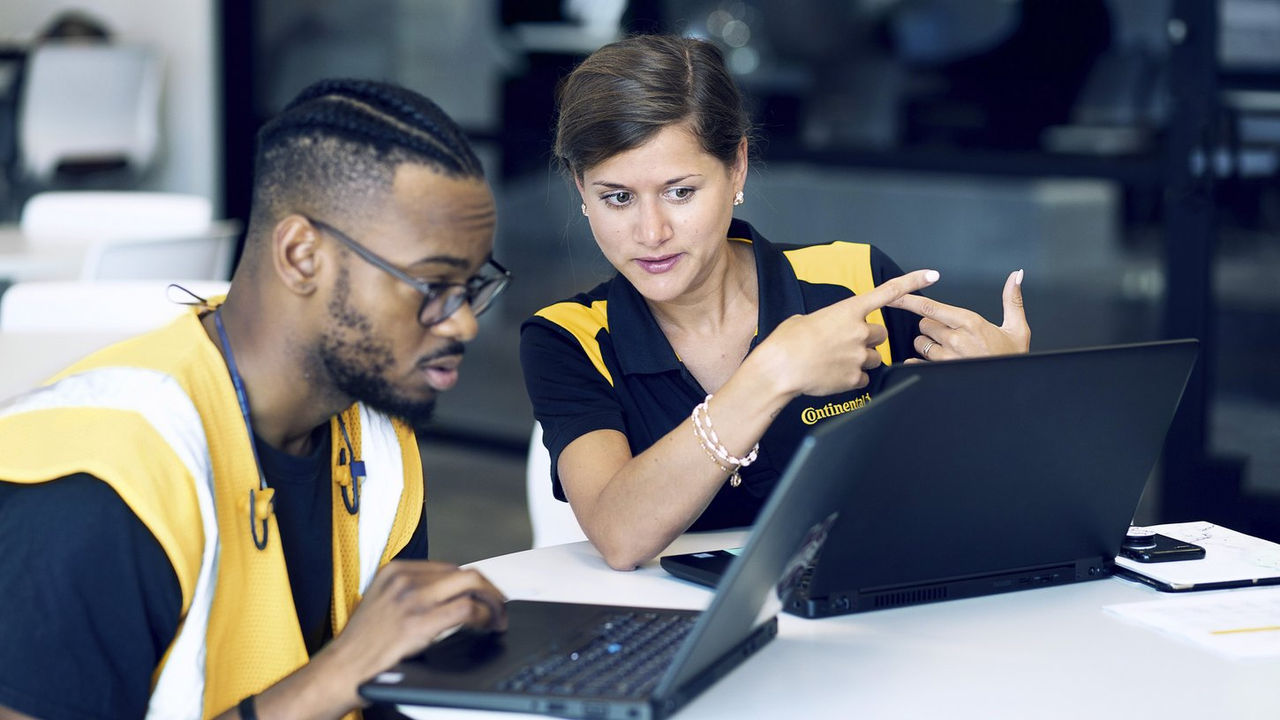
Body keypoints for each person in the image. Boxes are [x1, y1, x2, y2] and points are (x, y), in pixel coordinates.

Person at [0, 79, 512, 720]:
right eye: (434, 284)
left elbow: (383, 691)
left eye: (473, 287)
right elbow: (350, 678)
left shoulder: (378, 441)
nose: (463, 324)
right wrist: (333, 679)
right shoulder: (99, 485)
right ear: (301, 256)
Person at [520, 34, 1031, 571]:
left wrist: (1003, 396)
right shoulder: (566, 338)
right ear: (581, 189)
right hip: (669, 636)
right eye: (617, 197)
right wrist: (772, 373)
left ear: (736, 167)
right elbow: (620, 536)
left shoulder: (856, 280)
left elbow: (973, 497)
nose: (651, 232)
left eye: (680, 192)